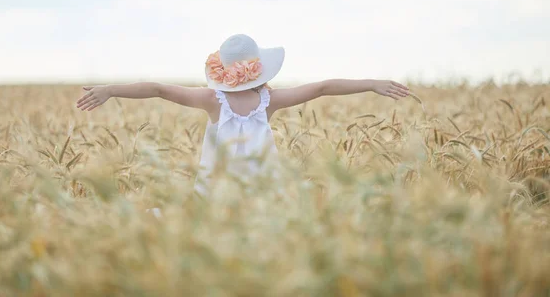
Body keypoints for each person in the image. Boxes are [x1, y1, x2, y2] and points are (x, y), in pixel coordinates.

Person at [76, 34, 410, 200]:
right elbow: (322, 88)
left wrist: (110, 90)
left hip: (217, 196)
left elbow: (159, 89)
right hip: (262, 196)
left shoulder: (211, 100)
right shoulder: (269, 102)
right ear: (258, 69)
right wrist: (372, 84)